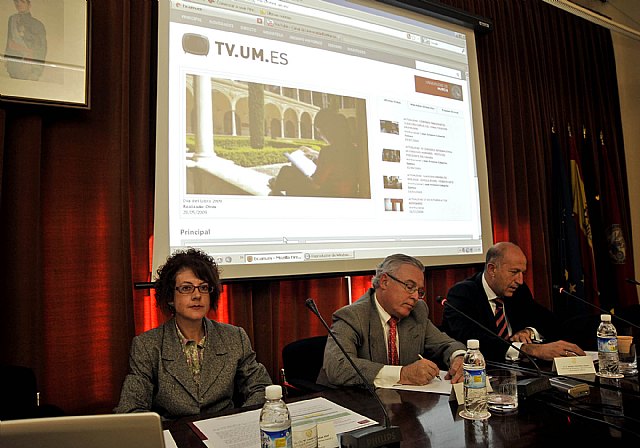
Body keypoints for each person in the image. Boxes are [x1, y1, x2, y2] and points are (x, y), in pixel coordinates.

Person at [114, 248, 272, 420]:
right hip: (173, 432)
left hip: (224, 429)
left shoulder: (234, 337)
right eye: (186, 288)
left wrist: (237, 421)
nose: (197, 295)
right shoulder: (147, 345)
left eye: (203, 287)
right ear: (170, 297)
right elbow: (131, 408)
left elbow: (261, 387)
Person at [317, 254, 466, 388]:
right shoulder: (352, 316)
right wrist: (402, 374)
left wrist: (458, 357)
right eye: (409, 287)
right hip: (353, 401)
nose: (415, 297)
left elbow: (446, 344)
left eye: (419, 291)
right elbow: (338, 366)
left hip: (402, 403)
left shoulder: (417, 311)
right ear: (384, 282)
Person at [441, 242, 585, 362]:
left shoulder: (518, 291)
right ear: (492, 269)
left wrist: (530, 331)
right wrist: (528, 349)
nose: (520, 280)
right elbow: (474, 340)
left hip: (520, 370)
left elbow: (549, 321)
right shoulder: (462, 294)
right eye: (514, 272)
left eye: (523, 273)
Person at [268, 108, 359, 197]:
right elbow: (336, 164)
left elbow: (316, 184)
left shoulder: (328, 152)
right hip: (347, 193)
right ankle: (276, 186)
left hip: (327, 195)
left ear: (328, 131)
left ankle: (275, 191)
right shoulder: (354, 149)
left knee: (286, 171)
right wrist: (315, 155)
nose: (320, 136)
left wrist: (306, 175)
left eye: (319, 132)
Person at [4, 0, 47, 80]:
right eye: (16, 2)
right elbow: (9, 41)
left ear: (29, 5)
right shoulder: (12, 19)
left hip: (28, 64)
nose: (18, 4)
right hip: (14, 63)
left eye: (22, 1)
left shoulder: (37, 24)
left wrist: (37, 71)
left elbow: (41, 49)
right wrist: (7, 59)